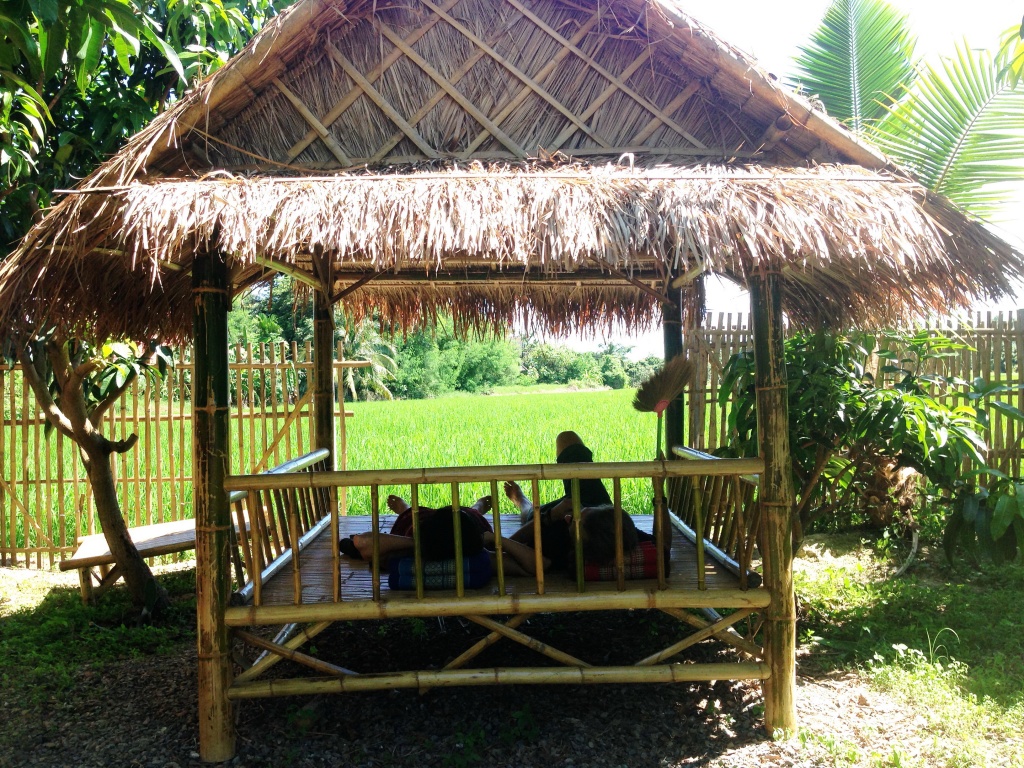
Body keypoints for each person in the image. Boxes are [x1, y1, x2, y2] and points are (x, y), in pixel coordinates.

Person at [339, 495, 546, 577]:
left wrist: (415, 543)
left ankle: (405, 507)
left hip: (425, 528)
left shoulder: (411, 552)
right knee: (470, 512)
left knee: (412, 515)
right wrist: (494, 539)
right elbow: (540, 565)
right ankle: (478, 507)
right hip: (452, 528)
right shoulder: (479, 556)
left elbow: (362, 542)